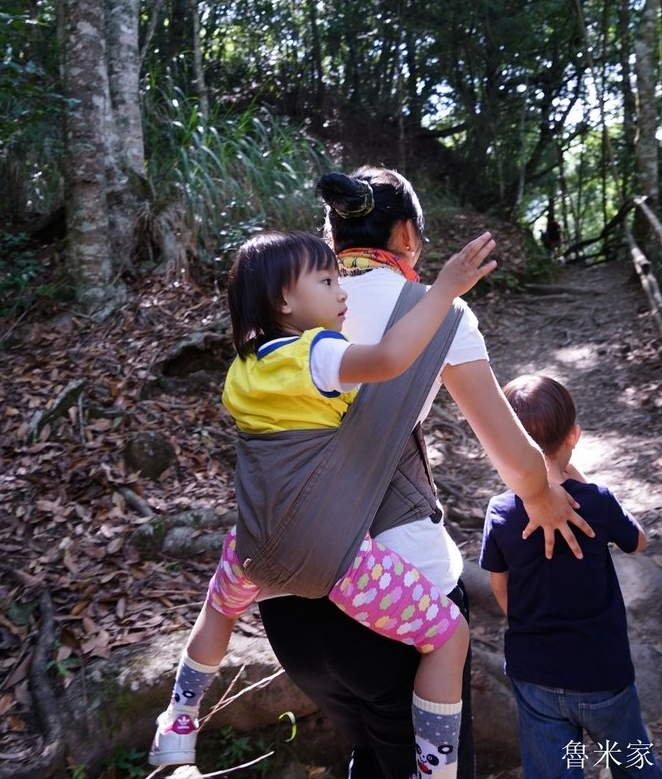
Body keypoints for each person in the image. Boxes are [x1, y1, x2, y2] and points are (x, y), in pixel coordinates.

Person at [257, 166, 593, 779]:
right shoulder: (434, 310)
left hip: (285, 600)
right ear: (406, 234)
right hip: (396, 602)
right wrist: (542, 497)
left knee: (371, 755)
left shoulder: (283, 304)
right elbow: (513, 455)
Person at [150, 226, 497, 775]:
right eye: (327, 279)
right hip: (333, 553)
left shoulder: (241, 370)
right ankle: (437, 767)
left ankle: (178, 723)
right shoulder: (317, 352)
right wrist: (445, 289)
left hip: (255, 547)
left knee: (219, 609)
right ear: (285, 299)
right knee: (449, 633)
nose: (342, 293)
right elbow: (389, 358)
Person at [479, 373, 661, 779]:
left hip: (535, 675)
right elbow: (640, 543)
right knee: (634, 765)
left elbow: (497, 584)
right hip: (603, 672)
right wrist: (574, 473)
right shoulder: (597, 500)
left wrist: (525, 623)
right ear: (574, 435)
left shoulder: (501, 512)